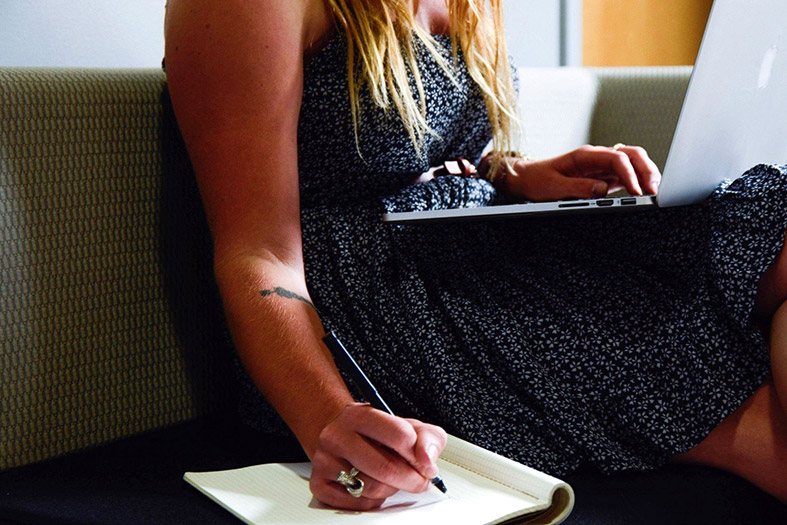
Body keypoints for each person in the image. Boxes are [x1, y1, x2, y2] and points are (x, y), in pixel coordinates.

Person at [163, 0, 787, 510]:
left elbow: (407, 150)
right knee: (745, 412)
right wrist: (327, 416)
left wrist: (511, 176)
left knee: (773, 213)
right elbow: (259, 252)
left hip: (469, 238)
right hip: (372, 300)